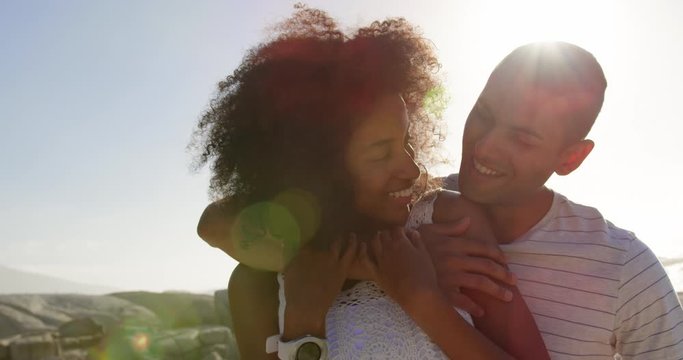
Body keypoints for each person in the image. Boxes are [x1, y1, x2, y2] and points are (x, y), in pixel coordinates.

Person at [192, 6, 548, 359]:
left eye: (407, 141)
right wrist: (304, 323)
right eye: (381, 153)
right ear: (318, 171)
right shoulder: (258, 283)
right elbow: (212, 223)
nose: (411, 169)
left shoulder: (449, 223)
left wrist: (418, 294)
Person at [423, 42, 683, 358]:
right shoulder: (409, 206)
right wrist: (413, 258)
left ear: (571, 158)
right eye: (483, 114)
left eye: (521, 138)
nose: (485, 146)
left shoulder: (625, 268)